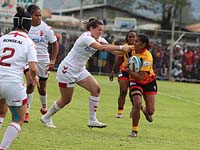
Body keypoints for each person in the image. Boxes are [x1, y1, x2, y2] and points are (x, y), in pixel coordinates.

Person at [40, 17, 132, 128]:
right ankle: (46, 117)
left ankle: (92, 120)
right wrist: (122, 47)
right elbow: (101, 48)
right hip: (67, 70)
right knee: (66, 99)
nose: (100, 32)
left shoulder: (99, 39)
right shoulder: (86, 37)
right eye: (99, 30)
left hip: (80, 70)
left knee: (96, 89)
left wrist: (131, 49)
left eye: (102, 30)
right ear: (91, 29)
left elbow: (112, 50)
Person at [0, 7, 38, 149]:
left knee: (0, 112)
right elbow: (33, 68)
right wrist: (34, 79)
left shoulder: (2, 38)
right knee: (18, 119)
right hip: (13, 84)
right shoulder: (28, 42)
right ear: (28, 25)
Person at [23, 4, 58, 123]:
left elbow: (55, 43)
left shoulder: (46, 29)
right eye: (36, 15)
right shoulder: (25, 28)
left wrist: (53, 60)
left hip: (43, 61)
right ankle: (26, 112)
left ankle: (44, 108)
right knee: (31, 83)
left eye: (40, 16)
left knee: (42, 88)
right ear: (30, 16)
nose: (38, 18)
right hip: (29, 60)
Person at [127, 34, 157, 137]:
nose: (134, 43)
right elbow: (118, 49)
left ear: (143, 44)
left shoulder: (148, 57)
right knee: (137, 102)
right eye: (134, 41)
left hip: (148, 81)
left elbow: (141, 77)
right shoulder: (131, 49)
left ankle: (143, 109)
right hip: (134, 81)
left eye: (136, 42)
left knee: (151, 111)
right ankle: (134, 130)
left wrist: (128, 71)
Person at [109, 30, 136, 118]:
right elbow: (120, 59)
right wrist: (113, 71)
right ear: (127, 38)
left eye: (133, 37)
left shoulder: (139, 48)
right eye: (130, 37)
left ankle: (134, 108)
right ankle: (120, 111)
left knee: (133, 93)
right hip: (124, 71)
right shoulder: (125, 47)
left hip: (135, 73)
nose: (131, 38)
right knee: (123, 91)